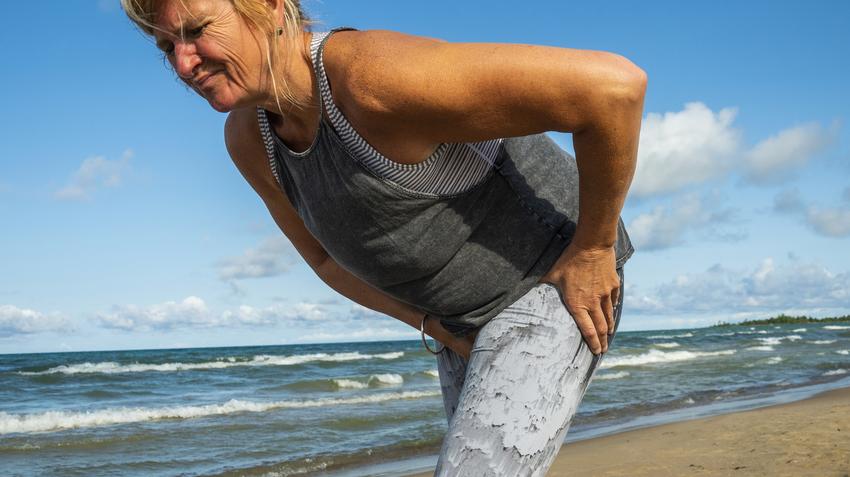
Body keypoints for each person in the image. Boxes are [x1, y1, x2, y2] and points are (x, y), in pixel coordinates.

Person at [121, 0, 645, 474]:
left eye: (197, 31)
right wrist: (433, 327)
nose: (185, 63)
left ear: (269, 8)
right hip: (458, 325)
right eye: (168, 46)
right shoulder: (248, 138)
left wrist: (594, 250)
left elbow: (611, 89)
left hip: (547, 282)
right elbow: (325, 260)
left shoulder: (371, 78)